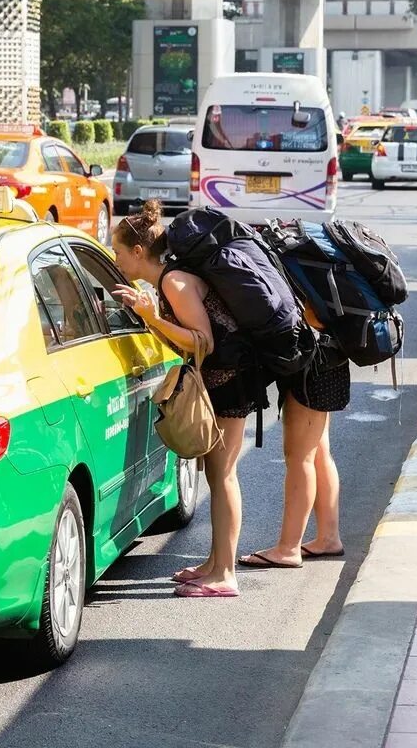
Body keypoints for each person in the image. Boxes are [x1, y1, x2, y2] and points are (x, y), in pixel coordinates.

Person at [112, 202, 268, 598]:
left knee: (223, 475)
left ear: (136, 252)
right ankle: (214, 563)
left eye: (116, 251)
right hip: (222, 378)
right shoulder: (167, 281)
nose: (115, 258)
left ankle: (226, 574)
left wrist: (152, 318)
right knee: (214, 477)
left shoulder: (174, 282)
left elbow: (204, 340)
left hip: (232, 379)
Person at [237, 329, 350, 569]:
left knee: (300, 457)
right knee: (318, 451)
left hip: (310, 360)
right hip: (329, 354)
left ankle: (288, 548)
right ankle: (328, 538)